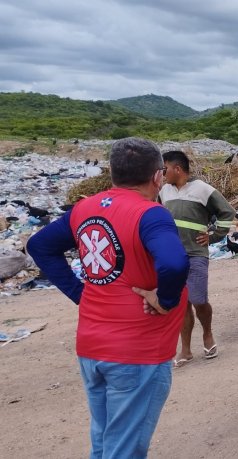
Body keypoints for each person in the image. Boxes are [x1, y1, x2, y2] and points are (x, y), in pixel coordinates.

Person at [27, 137, 190, 458]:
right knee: (123, 449)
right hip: (137, 350)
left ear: (113, 174)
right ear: (158, 176)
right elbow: (174, 262)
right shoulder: (151, 214)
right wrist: (166, 300)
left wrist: (80, 294)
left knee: (104, 443)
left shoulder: (83, 209)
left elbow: (40, 246)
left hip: (92, 347)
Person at [160, 150, 236, 367]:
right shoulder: (164, 191)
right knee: (181, 303)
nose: (162, 173)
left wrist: (213, 235)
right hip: (172, 255)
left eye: (165, 168)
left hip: (196, 253)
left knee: (198, 299)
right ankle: (185, 349)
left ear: (177, 169)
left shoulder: (202, 189)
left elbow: (226, 212)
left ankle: (208, 333)